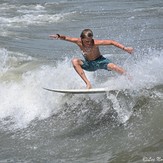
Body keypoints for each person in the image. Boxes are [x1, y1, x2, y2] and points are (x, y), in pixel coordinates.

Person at [49, 29, 133, 89]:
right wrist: (58, 36)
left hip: (101, 61)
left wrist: (125, 48)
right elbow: (66, 38)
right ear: (81, 39)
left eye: (90, 40)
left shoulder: (95, 43)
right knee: (74, 61)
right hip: (89, 64)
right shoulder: (78, 41)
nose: (89, 43)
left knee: (114, 67)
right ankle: (88, 84)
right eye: (86, 41)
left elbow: (111, 42)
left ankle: (131, 80)